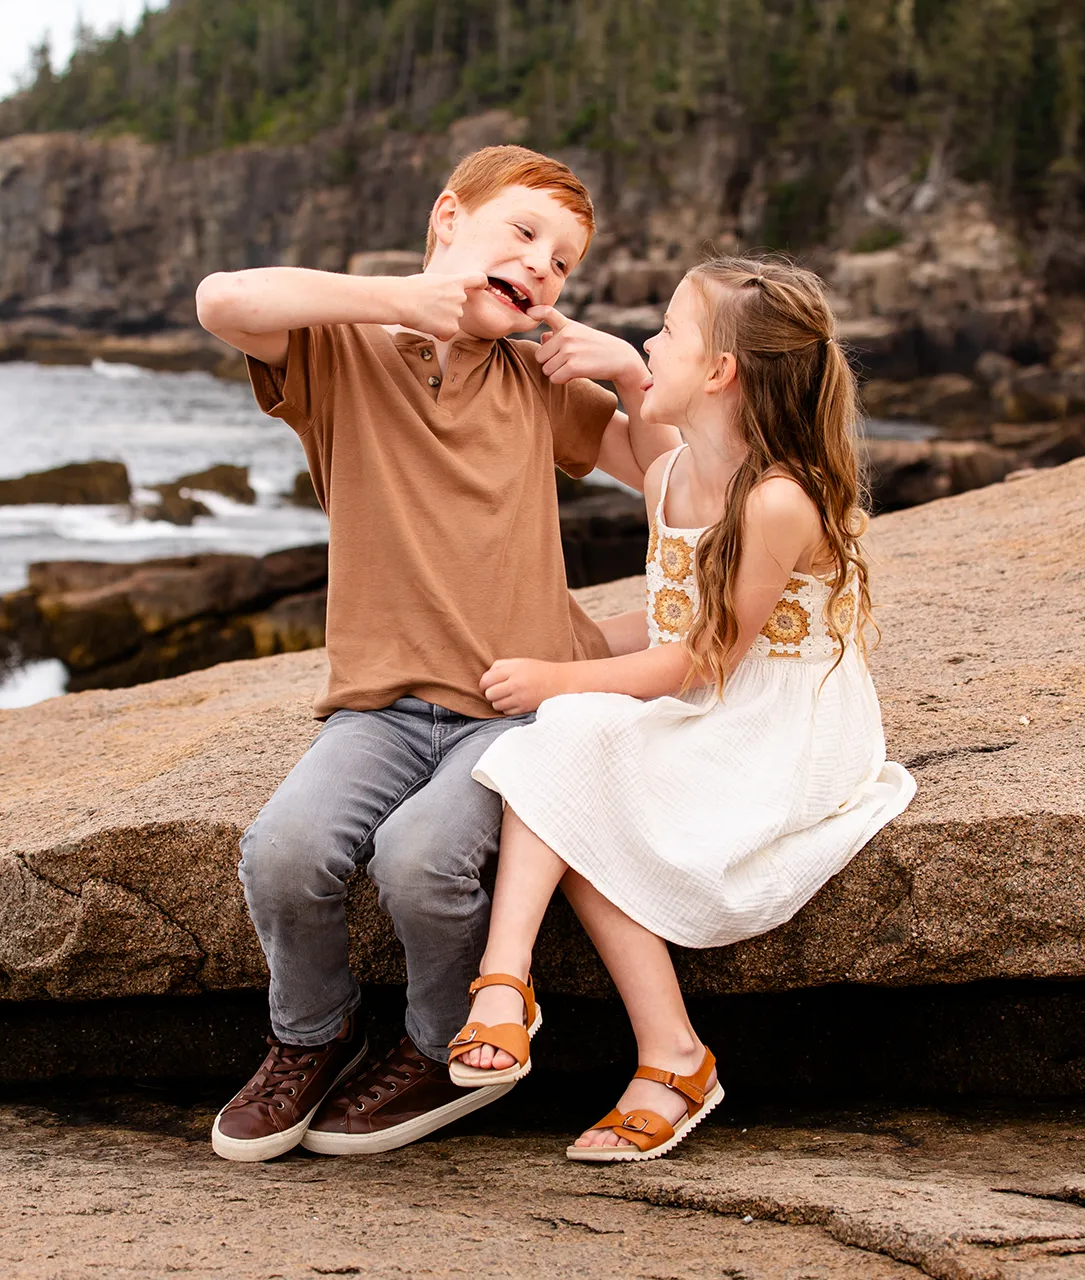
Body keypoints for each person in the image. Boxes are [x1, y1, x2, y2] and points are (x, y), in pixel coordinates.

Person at [193, 145, 678, 1161]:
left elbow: (664, 479)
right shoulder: (341, 351)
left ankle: (432, 1043)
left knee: (422, 863)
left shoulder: (530, 379)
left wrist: (631, 375)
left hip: (517, 706)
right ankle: (313, 1036)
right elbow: (222, 299)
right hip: (378, 704)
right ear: (447, 219)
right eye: (524, 235)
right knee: (284, 852)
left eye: (564, 262)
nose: (544, 267)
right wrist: (411, 299)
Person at [449, 256, 917, 1162]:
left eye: (665, 332)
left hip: (778, 726)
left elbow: (702, 658)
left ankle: (557, 1005)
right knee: (577, 780)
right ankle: (557, 1007)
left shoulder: (779, 500)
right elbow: (664, 600)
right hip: (710, 696)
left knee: (575, 750)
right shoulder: (676, 472)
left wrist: (557, 676)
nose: (647, 341)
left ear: (720, 374)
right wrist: (623, 370)